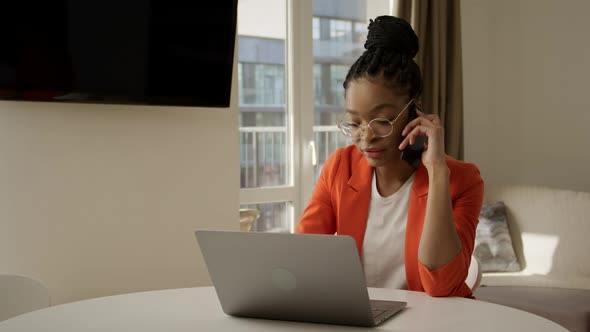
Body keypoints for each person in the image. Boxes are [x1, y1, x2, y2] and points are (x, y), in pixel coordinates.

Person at [295, 16, 484, 298]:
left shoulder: (463, 179)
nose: (366, 137)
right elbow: (299, 258)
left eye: (382, 121)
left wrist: (437, 171)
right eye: (355, 123)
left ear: (413, 112)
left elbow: (442, 285)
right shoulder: (340, 168)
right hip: (357, 319)